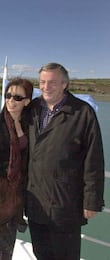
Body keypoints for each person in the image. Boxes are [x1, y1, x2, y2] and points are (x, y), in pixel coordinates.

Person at [26, 62, 105, 260]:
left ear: (64, 84)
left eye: (52, 82)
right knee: (41, 253)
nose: (45, 87)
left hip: (66, 203)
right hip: (36, 201)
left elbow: (93, 159)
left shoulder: (82, 112)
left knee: (66, 255)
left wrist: (92, 200)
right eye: (42, 82)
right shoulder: (32, 109)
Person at [0, 78, 34, 260]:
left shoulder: (30, 125)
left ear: (27, 101)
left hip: (17, 193)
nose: (10, 100)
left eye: (17, 97)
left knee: (9, 241)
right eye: (8, 96)